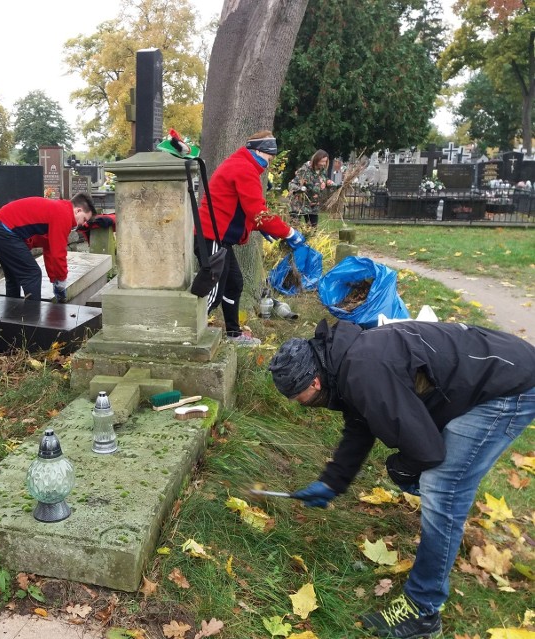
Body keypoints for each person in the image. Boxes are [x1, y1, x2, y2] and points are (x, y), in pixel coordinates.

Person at [268, 319, 535, 638]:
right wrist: (332, 482)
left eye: (303, 401)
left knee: (442, 486)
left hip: (508, 386)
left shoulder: (363, 371)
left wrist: (399, 469)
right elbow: (360, 421)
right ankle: (446, 526)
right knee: (436, 481)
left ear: (313, 383)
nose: (306, 407)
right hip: (491, 369)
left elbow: (427, 452)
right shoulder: (343, 360)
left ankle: (423, 611)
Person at [197, 130, 306, 346]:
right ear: (258, 151)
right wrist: (289, 232)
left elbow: (239, 209)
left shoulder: (240, 165)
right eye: (269, 158)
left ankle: (233, 334)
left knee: (234, 284)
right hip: (211, 236)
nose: (269, 163)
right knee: (212, 291)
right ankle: (190, 333)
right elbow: (258, 213)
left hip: (220, 238)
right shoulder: (244, 169)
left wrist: (258, 227)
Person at [0, 193, 96, 303]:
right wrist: (61, 281)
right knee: (32, 274)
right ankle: (31, 318)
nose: (83, 224)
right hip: (2, 230)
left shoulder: (59, 209)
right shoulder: (64, 214)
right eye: (84, 219)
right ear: (78, 210)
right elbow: (58, 253)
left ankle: (12, 317)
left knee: (14, 276)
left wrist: (55, 280)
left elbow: (50, 249)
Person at [288, 150, 334, 227]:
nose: (323, 164)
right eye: (322, 161)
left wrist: (328, 183)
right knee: (294, 228)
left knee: (312, 230)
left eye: (325, 162)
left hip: (313, 205)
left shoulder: (322, 171)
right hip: (300, 204)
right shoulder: (305, 170)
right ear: (316, 159)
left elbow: (323, 181)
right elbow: (291, 184)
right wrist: (301, 188)